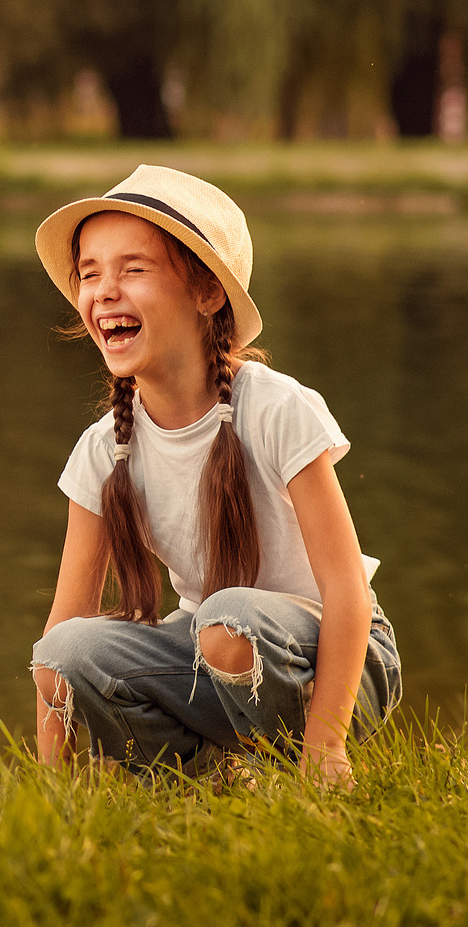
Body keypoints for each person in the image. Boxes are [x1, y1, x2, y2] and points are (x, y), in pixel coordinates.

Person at [26, 166, 402, 786]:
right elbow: (61, 637)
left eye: (134, 269)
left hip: (341, 657)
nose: (105, 291)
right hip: (213, 653)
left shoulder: (276, 409)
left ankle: (299, 761)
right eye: (89, 273)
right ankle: (206, 778)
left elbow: (347, 593)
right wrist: (46, 795)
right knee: (63, 657)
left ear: (206, 293)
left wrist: (327, 746)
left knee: (228, 624)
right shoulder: (102, 452)